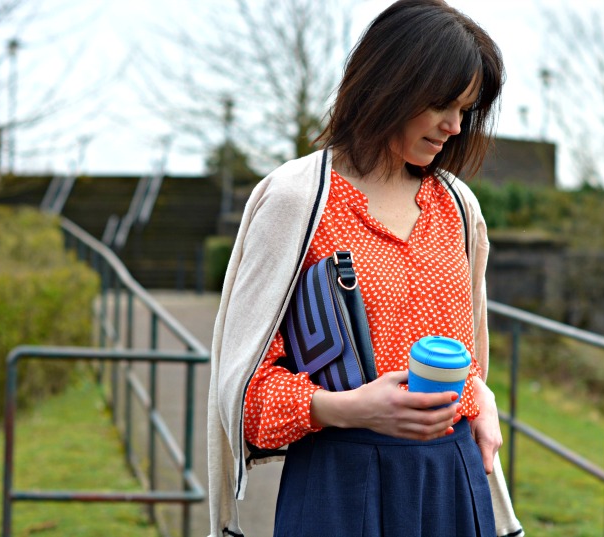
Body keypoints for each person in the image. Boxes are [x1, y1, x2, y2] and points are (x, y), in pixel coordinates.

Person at [207, 1, 524, 535]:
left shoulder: (457, 207)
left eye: (466, 109)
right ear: (391, 84)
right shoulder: (297, 200)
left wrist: (481, 395)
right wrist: (351, 408)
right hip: (339, 483)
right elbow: (245, 399)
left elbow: (464, 359)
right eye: (443, 104)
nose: (454, 125)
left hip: (451, 479)